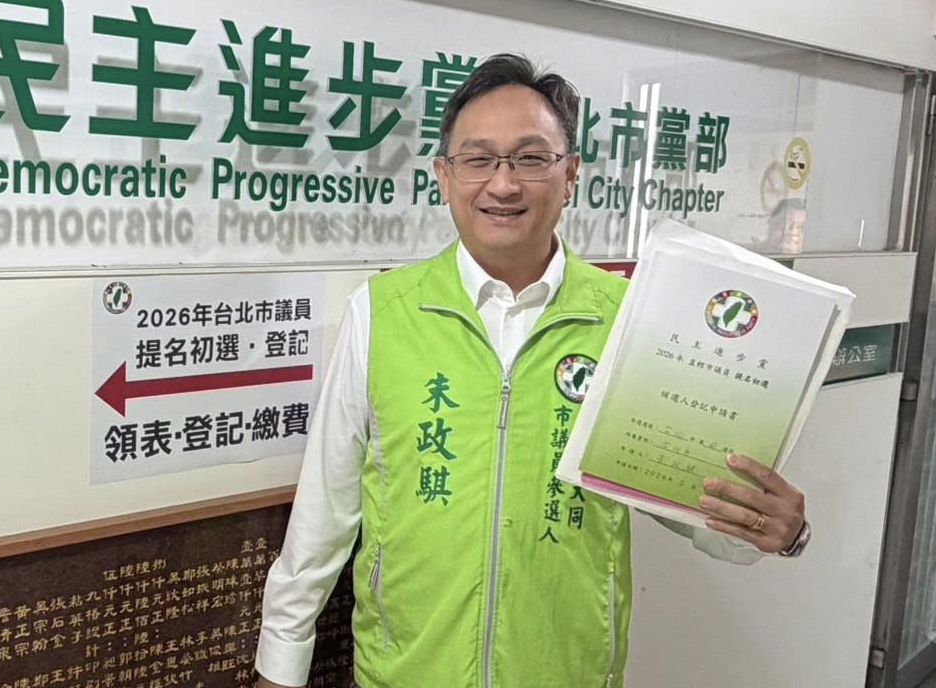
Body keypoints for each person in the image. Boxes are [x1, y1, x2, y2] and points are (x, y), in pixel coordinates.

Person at [254, 54, 809, 688]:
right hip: (404, 672)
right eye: (479, 159)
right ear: (444, 176)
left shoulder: (629, 320)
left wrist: (770, 527)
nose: (503, 184)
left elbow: (693, 499)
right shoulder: (381, 312)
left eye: (530, 158)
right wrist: (281, 663)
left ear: (570, 175)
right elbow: (325, 511)